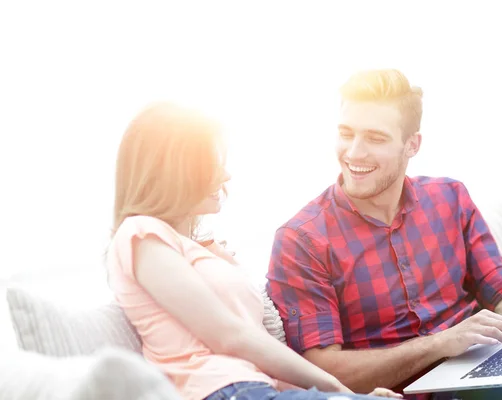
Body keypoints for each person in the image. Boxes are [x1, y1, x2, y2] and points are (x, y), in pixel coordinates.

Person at [106, 102, 402, 400]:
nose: (225, 176)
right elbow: (229, 336)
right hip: (221, 390)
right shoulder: (141, 233)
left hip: (253, 388)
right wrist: (340, 390)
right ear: (173, 172)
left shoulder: (193, 251)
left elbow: (257, 357)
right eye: (209, 165)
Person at [266, 69, 502, 399]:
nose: (354, 153)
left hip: (480, 373)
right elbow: (321, 372)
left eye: (375, 138)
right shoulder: (301, 240)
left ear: (412, 145)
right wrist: (438, 344)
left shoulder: (450, 198)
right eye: (347, 134)